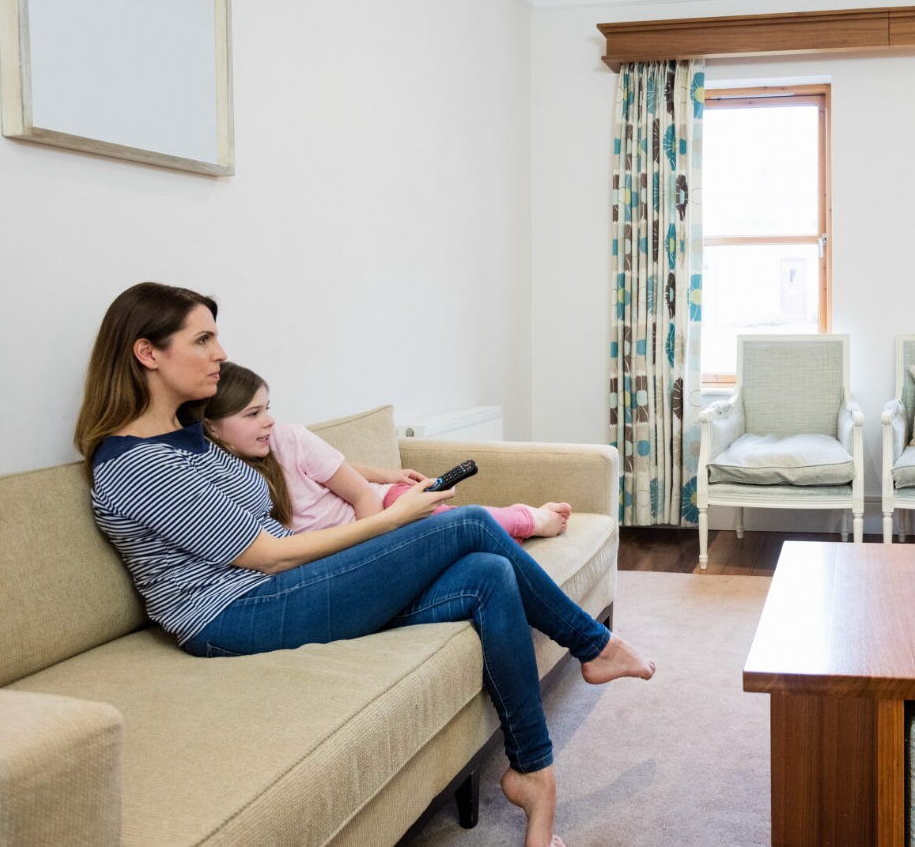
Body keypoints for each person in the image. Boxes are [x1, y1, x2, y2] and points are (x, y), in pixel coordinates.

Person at [76, 282, 651, 847]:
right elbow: (268, 554)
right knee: (469, 525)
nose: (220, 354)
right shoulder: (134, 464)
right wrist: (391, 522)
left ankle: (531, 772)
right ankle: (593, 644)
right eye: (202, 340)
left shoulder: (189, 435)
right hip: (233, 613)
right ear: (147, 354)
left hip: (273, 589)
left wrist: (378, 480)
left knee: (489, 574)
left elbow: (291, 462)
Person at [186, 361, 572, 541]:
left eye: (267, 409)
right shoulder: (218, 476)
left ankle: (531, 518)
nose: (268, 420)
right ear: (211, 428)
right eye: (253, 414)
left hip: (381, 506)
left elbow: (351, 486)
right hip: (355, 535)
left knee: (460, 521)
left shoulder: (287, 438)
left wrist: (386, 485)